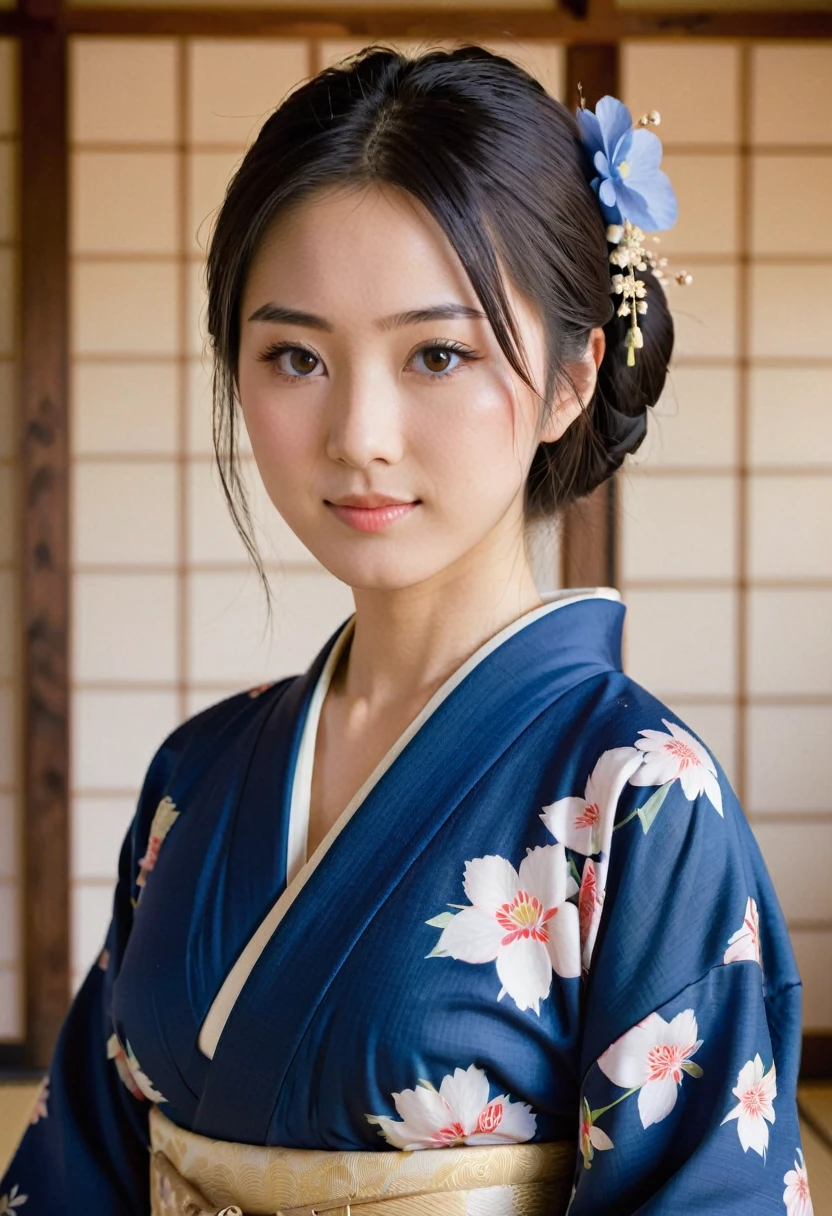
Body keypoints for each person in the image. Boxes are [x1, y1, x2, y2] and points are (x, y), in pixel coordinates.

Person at [0, 43, 811, 1216]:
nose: (357, 432)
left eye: (437, 353)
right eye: (295, 356)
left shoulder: (639, 796)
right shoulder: (200, 769)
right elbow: (76, 1168)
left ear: (572, 376)